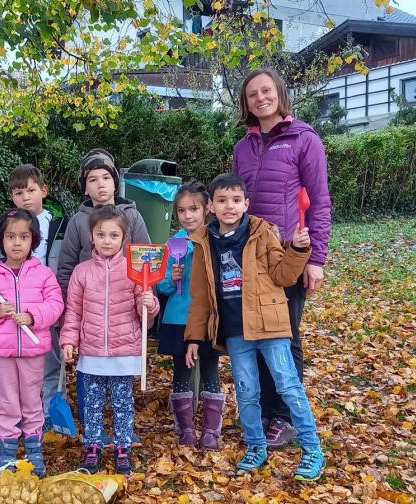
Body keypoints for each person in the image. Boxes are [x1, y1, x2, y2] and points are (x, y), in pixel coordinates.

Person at [184, 173, 325, 481]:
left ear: (246, 204)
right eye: (222, 201)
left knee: (288, 386)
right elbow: (200, 297)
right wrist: (194, 337)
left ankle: (312, 448)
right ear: (211, 207)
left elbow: (283, 275)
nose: (229, 206)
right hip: (235, 333)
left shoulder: (262, 233)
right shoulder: (204, 244)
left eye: (236, 200)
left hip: (271, 327)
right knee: (247, 393)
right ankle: (255, 445)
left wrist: (298, 250)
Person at [233, 68, 332, 449]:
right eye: (253, 94)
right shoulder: (243, 146)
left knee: (284, 334)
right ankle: (262, 410)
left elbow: (320, 202)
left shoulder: (303, 139)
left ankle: (286, 417)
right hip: (249, 257)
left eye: (266, 91)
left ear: (279, 94)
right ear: (246, 103)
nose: (261, 98)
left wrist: (315, 258)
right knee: (255, 333)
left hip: (287, 257)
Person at [56, 148, 149, 446]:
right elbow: (67, 266)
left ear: (115, 182)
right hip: (88, 309)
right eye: (93, 179)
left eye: (106, 177)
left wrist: (146, 301)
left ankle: (123, 431)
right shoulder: (76, 222)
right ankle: (92, 430)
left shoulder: (133, 217)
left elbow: (147, 262)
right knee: (89, 373)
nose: (100, 184)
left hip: (124, 310)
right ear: (85, 186)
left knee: (121, 381)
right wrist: (67, 311)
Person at [60, 205, 160, 476]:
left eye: (114, 235)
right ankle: (92, 447)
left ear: (124, 238)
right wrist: (68, 339)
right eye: (101, 234)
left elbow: (145, 310)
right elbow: (74, 310)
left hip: (124, 351)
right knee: (91, 403)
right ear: (91, 236)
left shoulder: (135, 270)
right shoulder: (81, 272)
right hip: (91, 351)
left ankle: (122, 448)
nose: (107, 240)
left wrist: (149, 304)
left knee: (122, 403)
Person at [0, 209, 64, 476]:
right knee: (8, 402)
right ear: (1, 240)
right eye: (10, 236)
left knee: (32, 401)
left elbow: (56, 304)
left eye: (23, 236)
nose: (17, 242)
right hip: (2, 352)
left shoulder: (43, 274)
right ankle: (7, 453)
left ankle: (34, 452)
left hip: (33, 351)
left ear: (33, 240)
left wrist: (34, 316)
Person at [0, 164, 68, 431]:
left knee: (50, 359)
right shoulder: (4, 227)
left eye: (31, 190)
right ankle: (16, 416)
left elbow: (66, 264)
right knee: (15, 368)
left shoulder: (59, 225)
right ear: (12, 196)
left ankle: (49, 412)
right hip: (11, 311)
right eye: (19, 193)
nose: (26, 197)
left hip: (43, 305)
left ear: (44, 190)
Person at [155, 182, 224, 449]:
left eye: (193, 209)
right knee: (181, 371)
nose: (188, 215)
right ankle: (185, 428)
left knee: (210, 369)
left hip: (208, 319)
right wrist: (170, 279)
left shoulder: (215, 240)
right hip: (177, 318)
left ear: (206, 208)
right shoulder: (174, 244)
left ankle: (210, 431)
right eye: (182, 210)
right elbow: (160, 285)